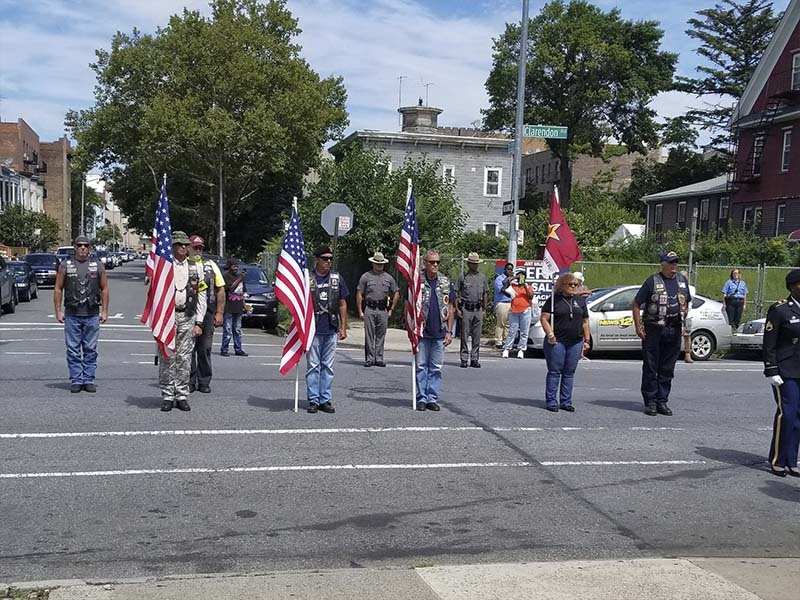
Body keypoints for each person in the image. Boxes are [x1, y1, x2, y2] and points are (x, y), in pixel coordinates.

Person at [632, 251, 691, 416]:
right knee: (651, 366)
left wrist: (684, 317)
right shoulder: (652, 281)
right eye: (671, 263)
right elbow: (636, 304)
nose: (674, 267)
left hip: (674, 328)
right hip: (654, 329)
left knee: (667, 367)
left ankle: (662, 401)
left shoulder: (682, 281)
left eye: (675, 263)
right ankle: (650, 401)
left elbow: (687, 302)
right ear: (663, 264)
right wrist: (638, 326)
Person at [157, 231, 207, 412]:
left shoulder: (196, 266)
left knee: (184, 358)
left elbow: (202, 294)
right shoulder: (165, 265)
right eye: (179, 244)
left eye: (186, 245)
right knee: (167, 356)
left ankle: (181, 394)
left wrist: (199, 322)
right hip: (168, 317)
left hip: (188, 315)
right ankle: (168, 394)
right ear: (173, 246)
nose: (184, 248)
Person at [53, 235, 109, 393]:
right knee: (73, 349)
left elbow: (104, 288)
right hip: (72, 314)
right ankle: (77, 379)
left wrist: (104, 310)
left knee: (90, 348)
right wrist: (58, 311)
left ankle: (88, 379)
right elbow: (58, 288)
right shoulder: (65, 265)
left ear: (90, 248)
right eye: (79, 245)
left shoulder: (98, 265)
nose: (83, 248)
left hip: (91, 314)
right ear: (75, 247)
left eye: (86, 245)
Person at [762, 269, 800, 478]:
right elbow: (769, 343)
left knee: (799, 417)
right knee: (787, 413)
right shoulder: (780, 310)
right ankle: (777, 459)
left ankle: (791, 460)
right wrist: (771, 369)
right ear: (793, 286)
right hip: (785, 371)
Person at [539, 272, 590, 412]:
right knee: (555, 371)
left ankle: (566, 401)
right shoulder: (554, 300)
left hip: (575, 341)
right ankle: (551, 401)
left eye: (576, 284)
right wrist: (550, 333)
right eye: (571, 284)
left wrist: (587, 339)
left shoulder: (580, 300)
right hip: (558, 341)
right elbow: (544, 318)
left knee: (569, 372)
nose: (574, 287)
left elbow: (585, 321)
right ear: (562, 285)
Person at [307, 245, 348, 413]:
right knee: (313, 366)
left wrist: (343, 327)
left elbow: (342, 303)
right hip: (313, 329)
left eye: (330, 259)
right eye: (325, 259)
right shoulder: (307, 278)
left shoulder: (336, 279)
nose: (328, 262)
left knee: (328, 367)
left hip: (331, 327)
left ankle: (325, 399)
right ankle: (313, 400)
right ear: (317, 259)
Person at [416, 249, 455, 411]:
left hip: (440, 331)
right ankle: (421, 398)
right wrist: (412, 328)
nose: (435, 265)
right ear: (425, 263)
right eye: (432, 262)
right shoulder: (418, 281)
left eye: (437, 262)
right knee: (421, 367)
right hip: (422, 331)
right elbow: (408, 305)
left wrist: (449, 331)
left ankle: (432, 398)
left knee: (436, 367)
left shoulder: (445, 282)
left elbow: (451, 307)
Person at [188, 235, 225, 394]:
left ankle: (204, 381)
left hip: (208, 312)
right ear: (188, 247)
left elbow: (220, 289)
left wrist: (219, 312)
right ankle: (189, 380)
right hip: (187, 311)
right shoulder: (183, 264)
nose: (198, 250)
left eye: (200, 247)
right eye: (195, 247)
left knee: (204, 348)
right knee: (188, 348)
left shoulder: (211, 265)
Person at [356, 251, 399, 368]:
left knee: (381, 334)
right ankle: (369, 358)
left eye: (381, 264)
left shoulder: (389, 278)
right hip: (369, 308)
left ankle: (379, 358)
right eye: (377, 263)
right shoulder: (366, 277)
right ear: (373, 263)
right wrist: (360, 310)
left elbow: (396, 292)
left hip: (383, 309)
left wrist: (391, 309)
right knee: (369, 335)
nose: (379, 266)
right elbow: (359, 293)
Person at [457, 252, 489, 368]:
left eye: (476, 263)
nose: (474, 265)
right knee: (464, 335)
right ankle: (464, 359)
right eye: (472, 263)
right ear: (468, 264)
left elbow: (485, 294)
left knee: (477, 336)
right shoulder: (463, 276)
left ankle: (474, 358)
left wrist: (484, 309)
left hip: (478, 308)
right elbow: (457, 293)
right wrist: (457, 309)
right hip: (466, 308)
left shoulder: (482, 277)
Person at [502, 269, 534, 359]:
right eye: (519, 276)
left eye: (522, 277)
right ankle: (507, 349)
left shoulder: (527, 286)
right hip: (514, 310)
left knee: (524, 332)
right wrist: (515, 277)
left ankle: (521, 350)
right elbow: (504, 284)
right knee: (512, 331)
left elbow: (531, 296)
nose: (520, 278)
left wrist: (525, 285)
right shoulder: (513, 286)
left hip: (525, 310)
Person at [221, 257, 248, 357]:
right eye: (233, 265)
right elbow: (230, 288)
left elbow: (243, 292)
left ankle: (238, 348)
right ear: (229, 266)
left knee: (237, 329)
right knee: (227, 329)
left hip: (239, 306)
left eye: (237, 265)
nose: (236, 267)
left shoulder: (240, 277)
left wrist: (245, 305)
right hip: (229, 306)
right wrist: (239, 279)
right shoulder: (226, 276)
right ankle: (224, 349)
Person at [493, 263, 514, 348]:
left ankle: (506, 341)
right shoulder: (499, 279)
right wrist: (508, 281)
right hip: (502, 302)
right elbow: (502, 290)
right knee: (501, 323)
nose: (510, 271)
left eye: (511, 269)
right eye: (508, 269)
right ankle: (498, 341)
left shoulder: (512, 279)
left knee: (508, 324)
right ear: (504, 269)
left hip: (510, 303)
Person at [679, 271, 698, 364]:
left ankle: (687, 354)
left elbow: (689, 298)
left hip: (688, 314)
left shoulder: (691, 288)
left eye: (684, 277)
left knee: (687, 334)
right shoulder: (676, 286)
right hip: (677, 314)